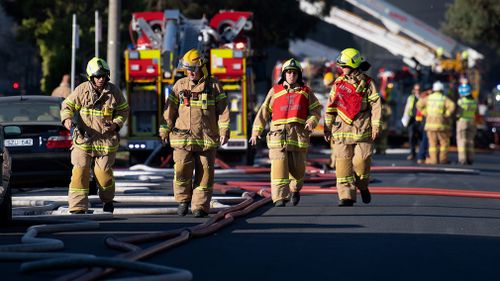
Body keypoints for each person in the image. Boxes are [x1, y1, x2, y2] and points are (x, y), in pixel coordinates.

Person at [159, 49, 230, 218]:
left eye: (192, 68)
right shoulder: (180, 85)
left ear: (201, 67)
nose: (189, 72)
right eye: (187, 69)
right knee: (182, 169)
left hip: (207, 138)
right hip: (182, 138)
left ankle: (200, 206)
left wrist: (224, 130)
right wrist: (164, 130)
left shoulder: (214, 86)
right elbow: (169, 111)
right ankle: (183, 200)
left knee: (205, 173)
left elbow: (224, 111)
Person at [60, 57, 129, 214]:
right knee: (80, 171)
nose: (100, 79)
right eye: (97, 76)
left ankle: (108, 200)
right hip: (84, 140)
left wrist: (116, 124)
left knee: (103, 174)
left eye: (103, 76)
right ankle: (78, 207)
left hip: (105, 141)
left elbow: (124, 110)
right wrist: (67, 118)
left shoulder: (114, 92)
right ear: (90, 77)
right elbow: (67, 105)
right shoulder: (82, 90)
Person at [250, 58, 322, 207]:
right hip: (278, 137)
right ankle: (280, 198)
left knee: (298, 170)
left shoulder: (306, 92)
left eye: (294, 73)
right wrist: (255, 132)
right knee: (278, 168)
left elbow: (316, 110)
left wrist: (311, 121)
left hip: (298, 136)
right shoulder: (275, 91)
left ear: (299, 75)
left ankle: (295, 189)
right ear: (284, 74)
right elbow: (263, 112)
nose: (291, 75)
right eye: (288, 72)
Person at [324, 48, 381, 207]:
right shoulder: (338, 83)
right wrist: (327, 127)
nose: (341, 69)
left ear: (354, 65)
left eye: (344, 66)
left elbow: (376, 106)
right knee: (342, 165)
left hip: (362, 127)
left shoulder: (368, 83)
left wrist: (376, 125)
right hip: (341, 129)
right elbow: (331, 107)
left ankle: (362, 186)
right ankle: (346, 196)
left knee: (362, 161)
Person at [416, 81, 455, 164]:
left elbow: (418, 104)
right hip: (441, 124)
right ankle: (442, 159)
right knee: (444, 142)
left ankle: (433, 160)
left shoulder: (429, 98)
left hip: (430, 124)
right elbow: (452, 106)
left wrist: (425, 112)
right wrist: (446, 114)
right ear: (441, 90)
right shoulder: (443, 98)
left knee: (432, 143)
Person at [456, 84, 478, 165]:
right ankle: (470, 158)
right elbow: (476, 112)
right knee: (470, 141)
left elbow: (458, 113)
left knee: (462, 141)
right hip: (472, 122)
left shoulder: (461, 101)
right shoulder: (474, 101)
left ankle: (462, 159)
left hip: (462, 122)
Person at [402, 83, 424, 160]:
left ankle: (421, 154)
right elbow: (407, 108)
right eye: (416, 89)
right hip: (412, 119)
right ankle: (412, 153)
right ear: (414, 90)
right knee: (411, 137)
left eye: (419, 89)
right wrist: (405, 118)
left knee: (421, 137)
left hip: (421, 120)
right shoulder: (411, 98)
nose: (417, 91)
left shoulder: (423, 98)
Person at [323, 72, 336, 169]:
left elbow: (330, 109)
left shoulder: (336, 88)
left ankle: (334, 164)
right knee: (334, 144)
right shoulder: (335, 87)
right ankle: (333, 162)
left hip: (337, 122)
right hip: (335, 122)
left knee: (336, 145)